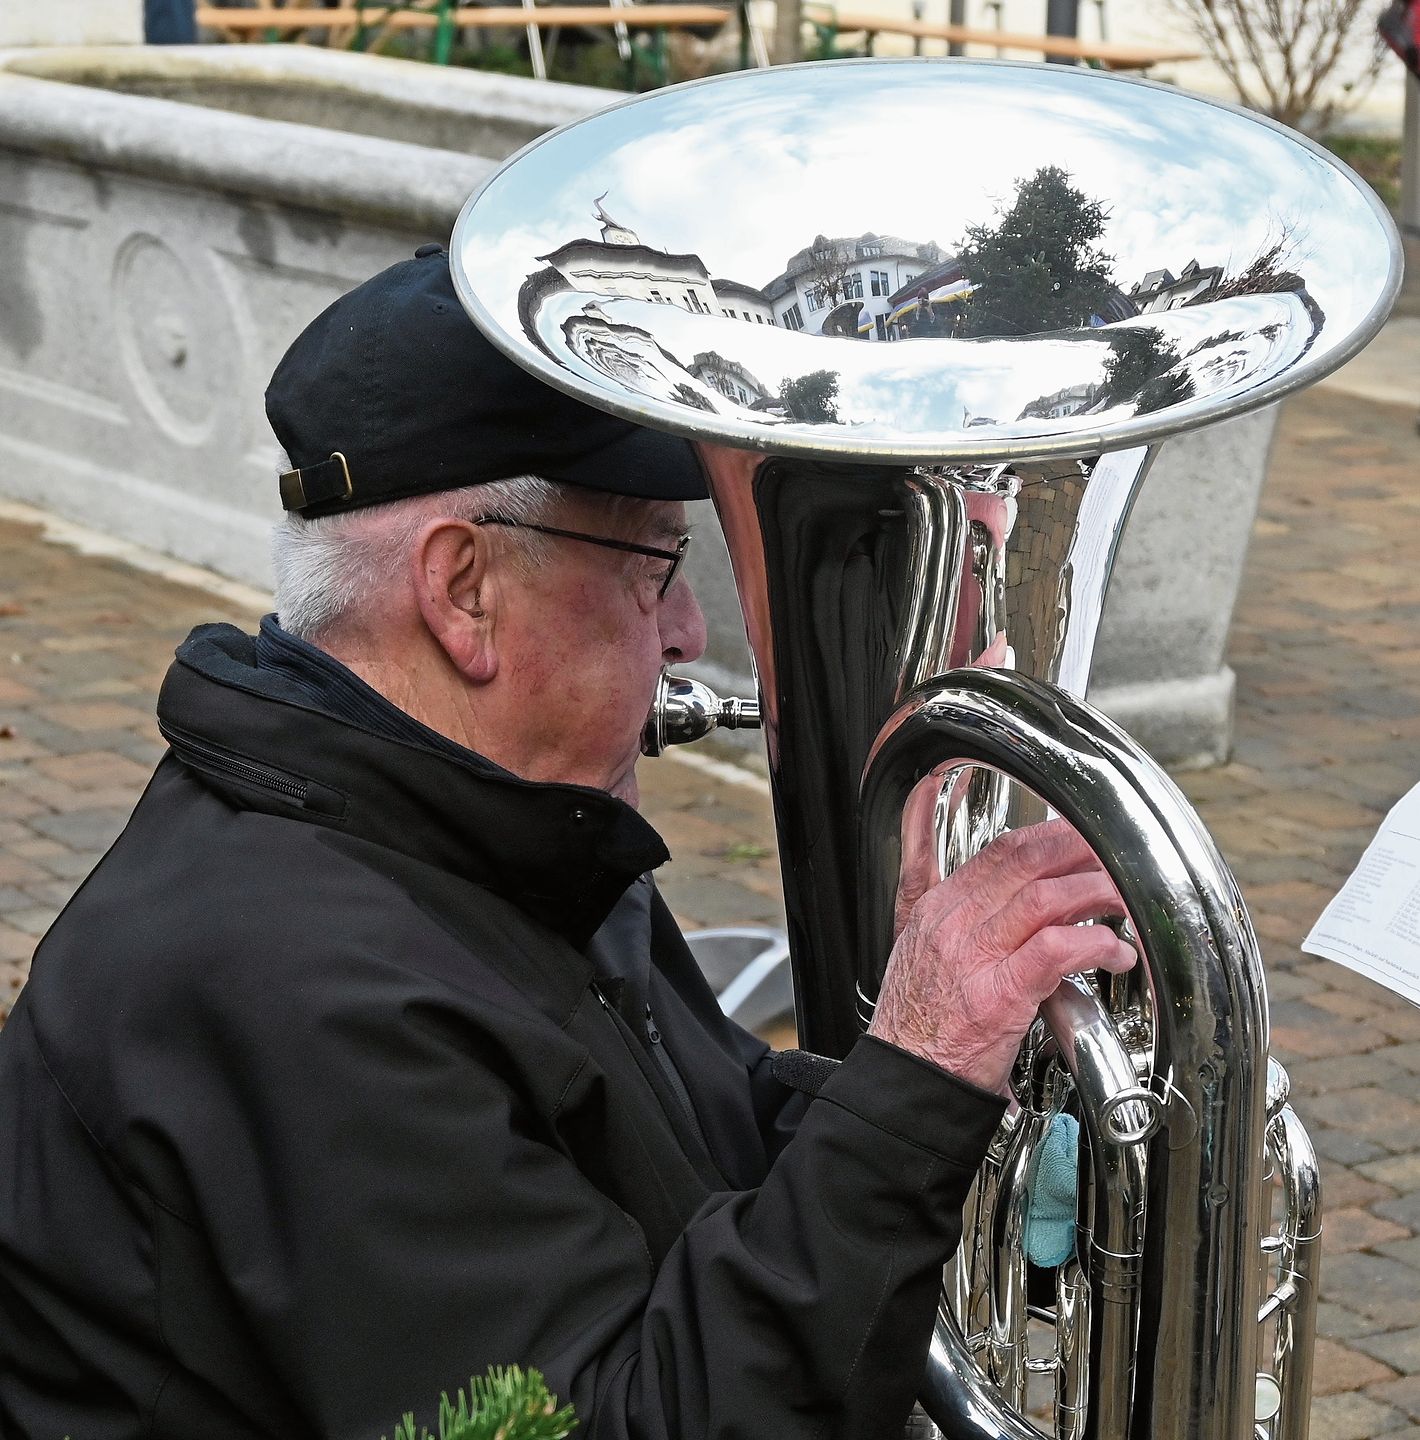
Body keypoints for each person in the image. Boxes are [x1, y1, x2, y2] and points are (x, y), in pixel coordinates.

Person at [0, 246, 1134, 1439]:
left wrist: (938, 1064)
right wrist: (917, 1069)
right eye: (658, 562)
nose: (693, 630)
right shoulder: (297, 987)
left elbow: (701, 1166)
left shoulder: (502, 828)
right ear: (463, 592)